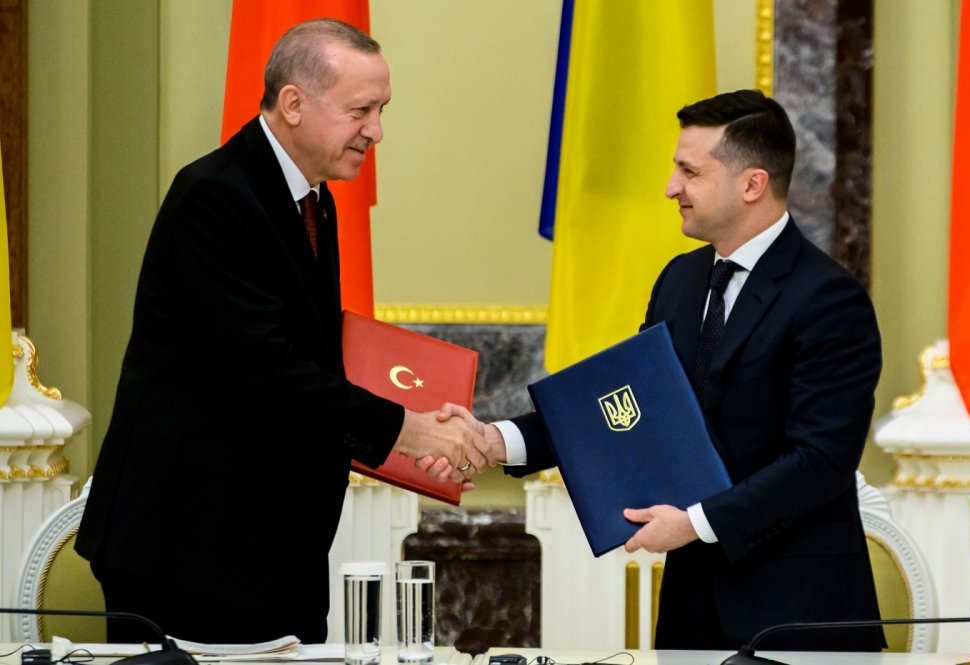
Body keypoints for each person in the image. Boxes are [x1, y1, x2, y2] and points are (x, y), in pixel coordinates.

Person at [75, 18, 486, 645]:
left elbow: (312, 358)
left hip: (264, 551)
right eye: (361, 110)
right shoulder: (214, 197)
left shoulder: (313, 199)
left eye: (381, 110)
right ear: (293, 103)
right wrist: (411, 429)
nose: (376, 130)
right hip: (187, 550)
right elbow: (267, 369)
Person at [435, 89, 885, 652]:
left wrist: (695, 523)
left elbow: (821, 461)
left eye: (689, 171)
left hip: (798, 618)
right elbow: (626, 406)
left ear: (752, 184)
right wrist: (496, 439)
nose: (672, 187)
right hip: (691, 615)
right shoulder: (680, 279)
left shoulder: (828, 299)